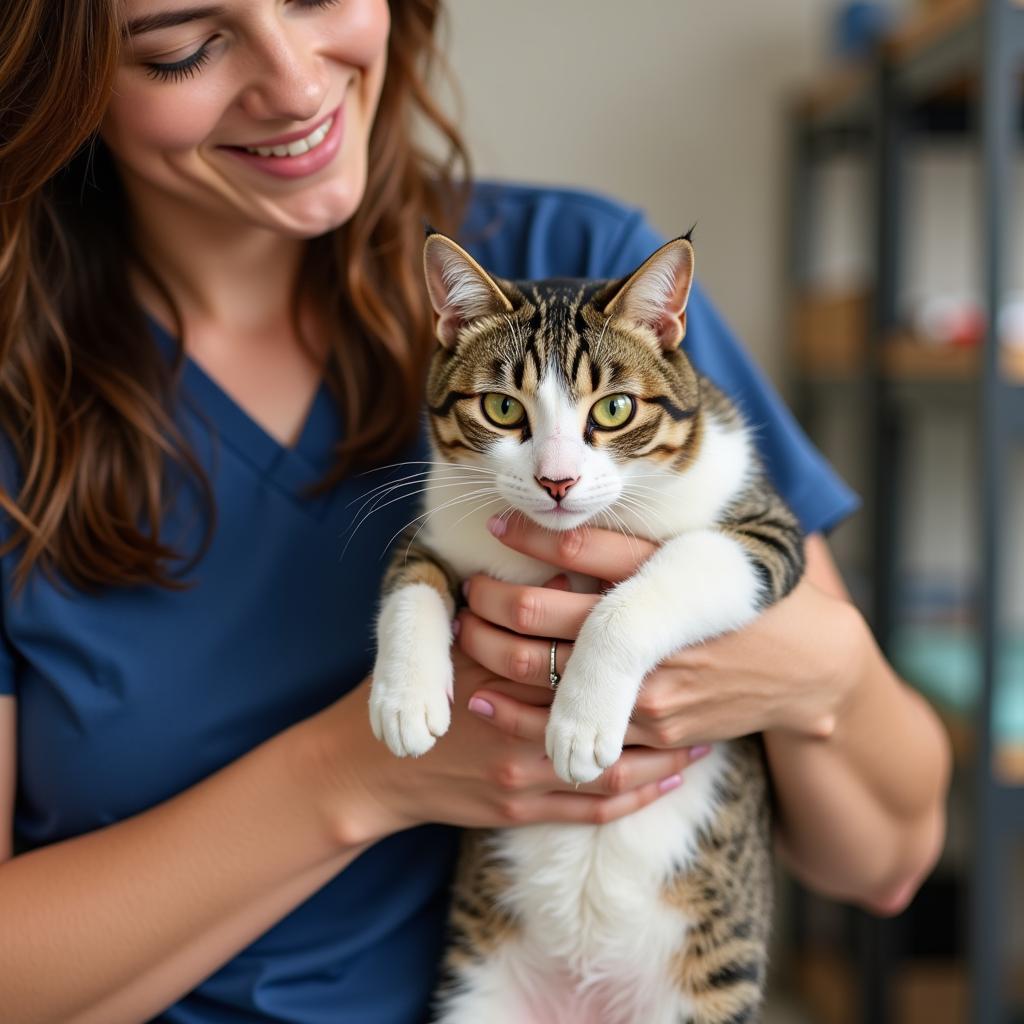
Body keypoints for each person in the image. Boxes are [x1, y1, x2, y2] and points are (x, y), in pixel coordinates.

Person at [0, 1, 952, 1022]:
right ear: (64, 76)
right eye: (182, 46)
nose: (295, 82)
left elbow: (891, 858)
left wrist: (826, 673)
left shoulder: (581, 258)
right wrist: (361, 778)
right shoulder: (22, 396)